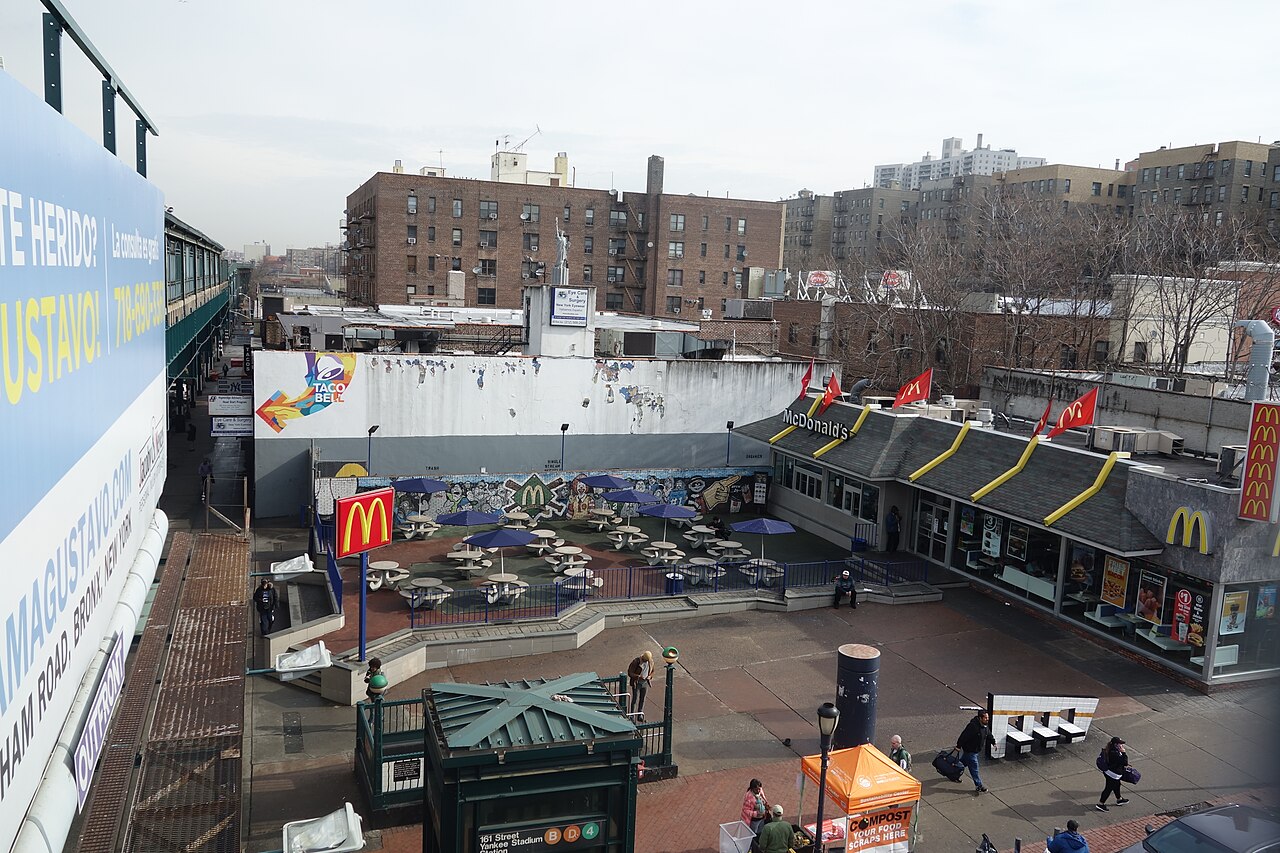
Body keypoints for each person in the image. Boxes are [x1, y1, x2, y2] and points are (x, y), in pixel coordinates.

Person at [955, 710, 995, 794]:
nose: (987, 719)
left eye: (988, 717)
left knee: (961, 764)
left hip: (974, 751)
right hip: (970, 751)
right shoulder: (973, 727)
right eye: (985, 718)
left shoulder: (984, 726)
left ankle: (953, 773)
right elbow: (963, 736)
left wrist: (993, 742)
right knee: (974, 769)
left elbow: (988, 734)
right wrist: (958, 746)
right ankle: (979, 785)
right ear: (980, 718)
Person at [1096, 736, 1130, 811]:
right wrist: (1124, 753)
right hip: (1113, 774)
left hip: (1110, 772)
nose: (1122, 745)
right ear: (1115, 744)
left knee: (1117, 785)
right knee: (1108, 788)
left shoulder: (1110, 750)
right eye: (1120, 744)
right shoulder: (1114, 753)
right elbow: (1125, 762)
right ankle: (1101, 803)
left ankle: (1119, 799)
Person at [627, 650, 653, 721]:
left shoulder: (650, 662)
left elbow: (652, 671)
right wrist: (638, 676)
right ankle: (632, 715)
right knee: (635, 698)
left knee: (642, 699)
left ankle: (640, 714)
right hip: (637, 682)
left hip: (645, 682)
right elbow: (630, 672)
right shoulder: (636, 662)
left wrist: (649, 677)